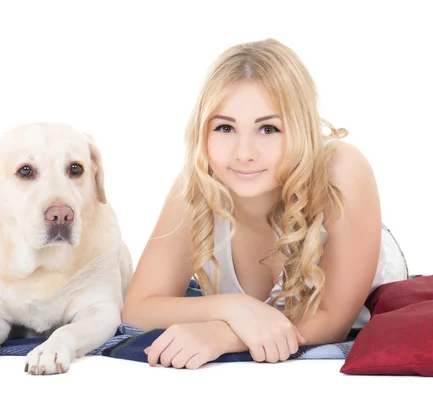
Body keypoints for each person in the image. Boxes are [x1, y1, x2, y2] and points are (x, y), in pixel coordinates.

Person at [121, 38, 408, 370]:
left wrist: (223, 335)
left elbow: (334, 321)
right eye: (225, 127)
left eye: (268, 128)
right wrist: (233, 308)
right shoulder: (198, 184)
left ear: (300, 131)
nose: (244, 153)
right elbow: (138, 308)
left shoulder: (343, 171)